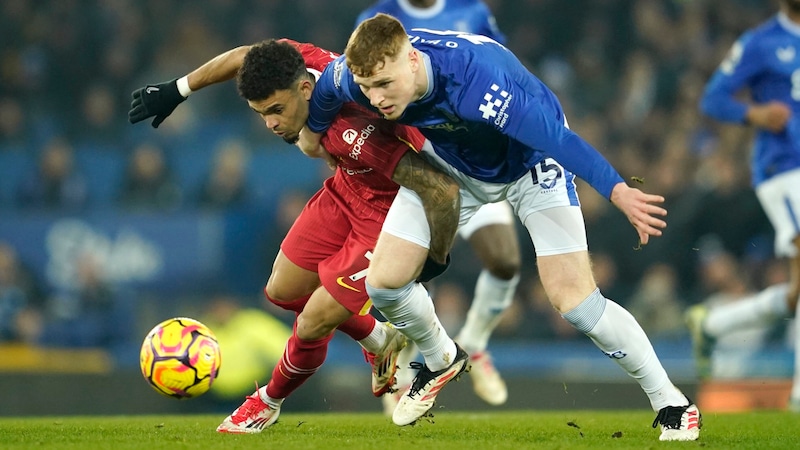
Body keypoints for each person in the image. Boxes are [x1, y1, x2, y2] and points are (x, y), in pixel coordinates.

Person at [300, 13, 700, 440]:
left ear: (412, 61)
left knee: (577, 303)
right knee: (383, 285)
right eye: (368, 89)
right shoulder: (351, 74)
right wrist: (312, 137)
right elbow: (323, 95)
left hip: (531, 165)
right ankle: (441, 358)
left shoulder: (480, 85)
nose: (377, 99)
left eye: (384, 85)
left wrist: (617, 190)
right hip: (454, 170)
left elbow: (557, 140)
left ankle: (672, 403)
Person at [129, 39, 464, 432]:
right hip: (347, 190)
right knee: (282, 291)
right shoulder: (299, 64)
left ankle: (267, 401)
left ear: (305, 91)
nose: (270, 123)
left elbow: (437, 186)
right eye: (260, 113)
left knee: (311, 324)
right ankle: (376, 335)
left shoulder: (353, 124)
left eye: (276, 110)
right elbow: (244, 56)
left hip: (387, 214)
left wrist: (434, 256)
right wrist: (179, 89)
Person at [356, 0, 520, 410]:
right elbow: (364, 96)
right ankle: (404, 369)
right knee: (409, 274)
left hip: (475, 158)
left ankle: (474, 345)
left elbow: (501, 66)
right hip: (424, 163)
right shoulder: (376, 21)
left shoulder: (473, 10)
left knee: (504, 261)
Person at [692, 0, 800, 411]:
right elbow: (713, 98)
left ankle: (716, 323)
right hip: (784, 166)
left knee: (797, 292)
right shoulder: (761, 43)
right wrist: (754, 113)